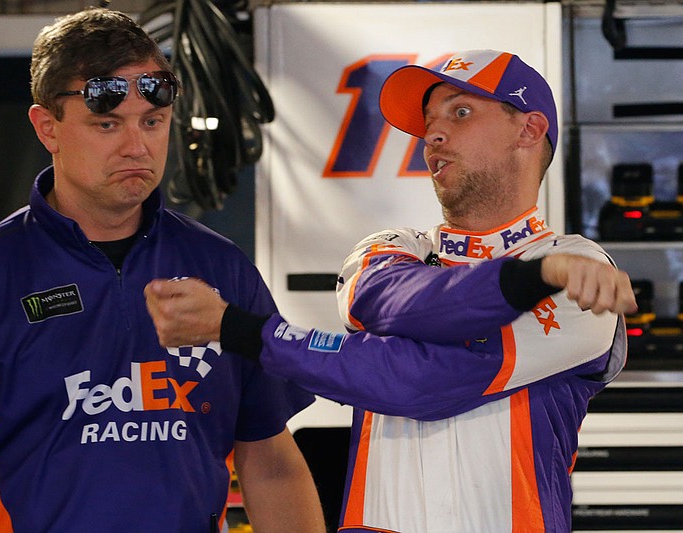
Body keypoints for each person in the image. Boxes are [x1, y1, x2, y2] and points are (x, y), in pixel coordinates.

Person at [142, 49, 637, 532]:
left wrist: (237, 328)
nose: (433, 135)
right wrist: (531, 280)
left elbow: (413, 381)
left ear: (528, 130)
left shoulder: (583, 268)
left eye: (460, 112)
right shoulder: (390, 249)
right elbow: (408, 306)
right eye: (428, 124)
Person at [0, 8, 325, 533]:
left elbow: (271, 463)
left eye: (153, 121)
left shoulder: (222, 270)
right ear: (47, 127)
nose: (137, 146)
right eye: (107, 124)